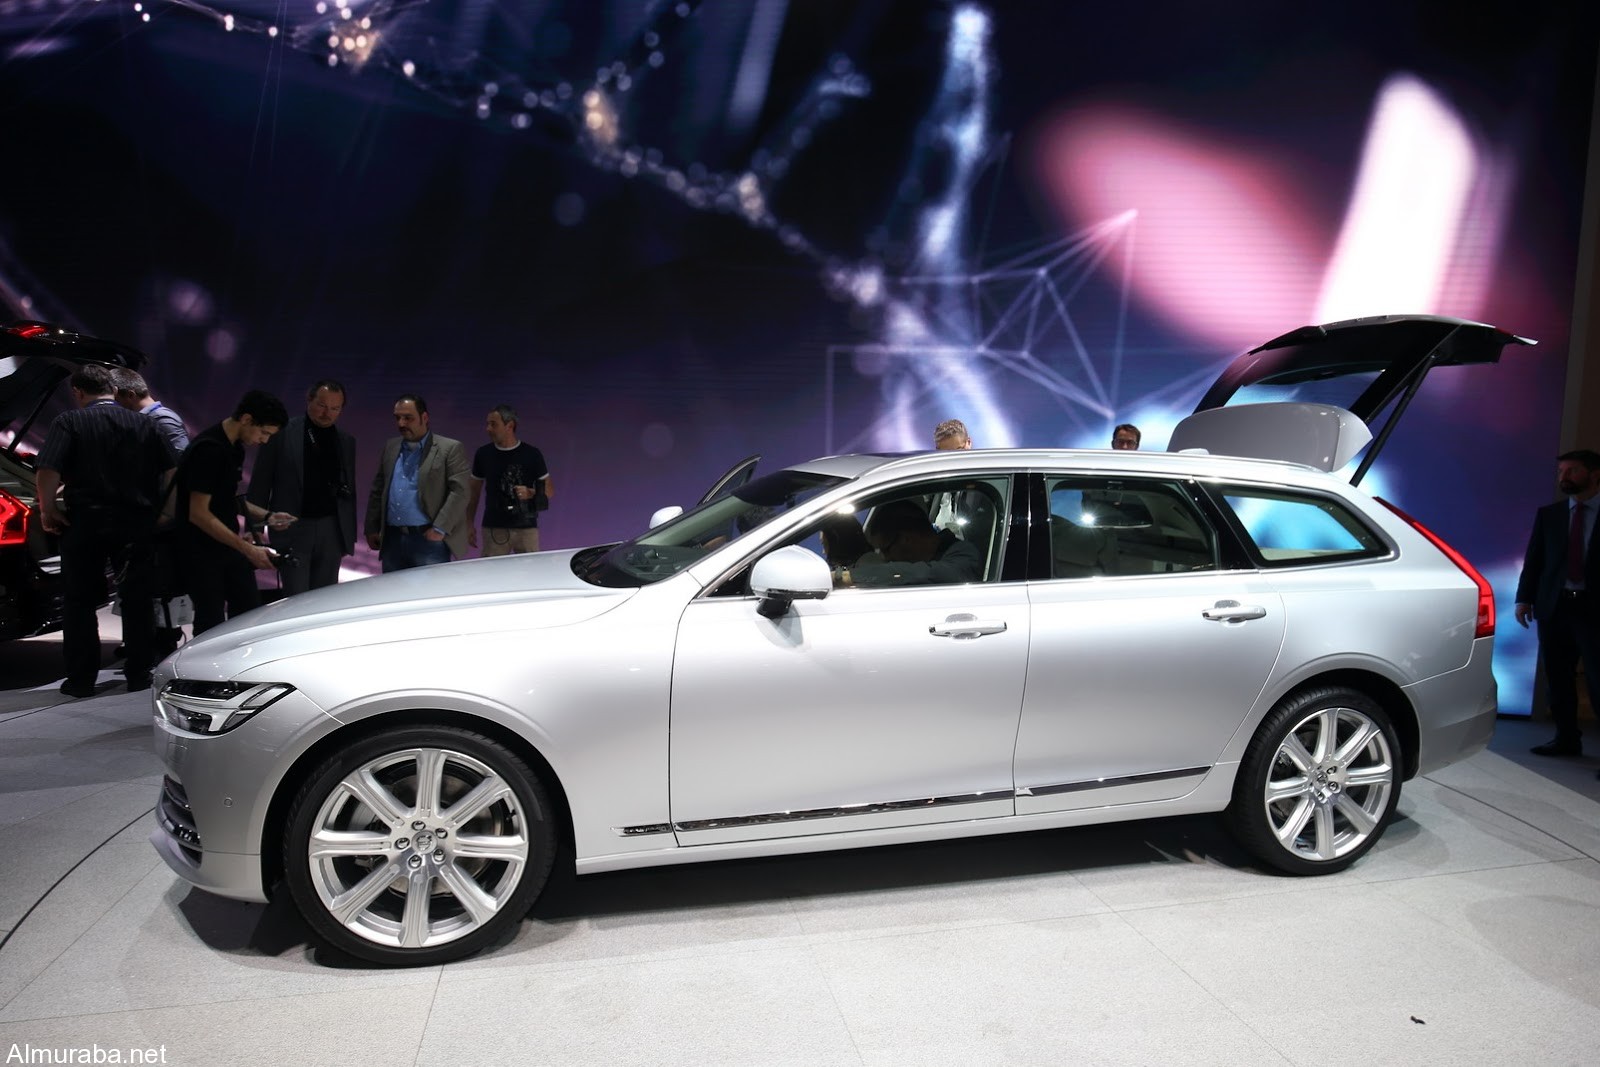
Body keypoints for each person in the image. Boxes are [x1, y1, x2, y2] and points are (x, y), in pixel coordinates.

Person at [34, 364, 177, 696]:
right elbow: (173, 471)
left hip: (85, 523)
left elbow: (48, 469)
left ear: (78, 392)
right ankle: (139, 673)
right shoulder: (146, 424)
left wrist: (48, 508)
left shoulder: (68, 421)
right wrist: (167, 512)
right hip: (136, 523)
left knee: (79, 601)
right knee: (137, 600)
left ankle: (81, 680)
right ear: (113, 390)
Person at [178, 389, 291, 635]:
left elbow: (226, 499)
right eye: (264, 432)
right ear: (247, 419)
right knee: (211, 624)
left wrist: (267, 516)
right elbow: (198, 513)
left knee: (248, 614)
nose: (264, 440)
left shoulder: (234, 448)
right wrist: (248, 549)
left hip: (226, 547)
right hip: (201, 551)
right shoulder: (209, 450)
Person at [1515, 449, 1600, 763]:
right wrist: (1524, 598)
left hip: (1595, 610)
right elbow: (1535, 560)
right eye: (1561, 471)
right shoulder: (1550, 514)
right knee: (1558, 677)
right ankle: (1566, 739)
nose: (1564, 477)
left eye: (1572, 471)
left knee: (1597, 680)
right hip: (1556, 607)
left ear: (1594, 474)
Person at [247, 380, 358, 594]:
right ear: (309, 399)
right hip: (292, 527)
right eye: (322, 405)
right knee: (296, 597)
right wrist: (255, 529)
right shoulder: (281, 434)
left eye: (335, 408)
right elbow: (260, 483)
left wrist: (347, 537)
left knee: (327, 599)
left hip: (332, 531)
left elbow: (349, 492)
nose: (327, 413)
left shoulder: (346, 441)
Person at [110, 368, 189, 656]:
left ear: (130, 394)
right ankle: (145, 642)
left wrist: (166, 513)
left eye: (116, 399)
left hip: (161, 519)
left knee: (160, 585)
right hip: (148, 515)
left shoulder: (162, 420)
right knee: (148, 585)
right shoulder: (147, 420)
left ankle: (161, 644)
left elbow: (180, 469)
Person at [365, 394, 471, 572]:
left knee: (430, 589)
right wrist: (371, 527)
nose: (401, 424)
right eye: (398, 418)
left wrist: (440, 529)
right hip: (392, 539)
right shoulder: (391, 447)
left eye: (408, 418)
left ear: (425, 417)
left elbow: (460, 492)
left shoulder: (449, 448)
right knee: (393, 590)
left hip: (428, 539)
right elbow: (378, 489)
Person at [467, 404, 552, 556]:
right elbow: (473, 492)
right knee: (492, 569)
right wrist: (468, 523)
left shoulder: (531, 454)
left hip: (526, 528)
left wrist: (530, 493)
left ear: (510, 425)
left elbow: (549, 490)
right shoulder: (483, 454)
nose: (488, 429)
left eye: (493, 424)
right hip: (494, 528)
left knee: (530, 569)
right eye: (488, 424)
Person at [842, 499, 983, 587]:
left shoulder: (963, 555)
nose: (886, 558)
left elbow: (924, 574)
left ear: (906, 539)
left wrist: (846, 577)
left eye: (886, 549)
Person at [112, 369, 189, 455]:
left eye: (116, 400)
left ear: (130, 395)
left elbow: (181, 456)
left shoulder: (163, 418)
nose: (114, 405)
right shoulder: (145, 419)